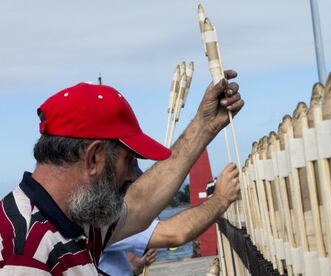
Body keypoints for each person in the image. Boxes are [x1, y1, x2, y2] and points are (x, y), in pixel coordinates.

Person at [0, 70, 243, 275]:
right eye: (129, 161)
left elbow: (139, 203)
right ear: (93, 158)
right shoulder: (23, 256)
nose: (133, 176)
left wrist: (205, 124)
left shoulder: (75, 219)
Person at [99, 163, 239, 276]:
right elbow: (177, 233)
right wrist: (221, 198)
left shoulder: (105, 217)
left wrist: (134, 267)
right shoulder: (103, 218)